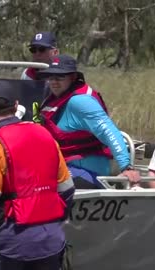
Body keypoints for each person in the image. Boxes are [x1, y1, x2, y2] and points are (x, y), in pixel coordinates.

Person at [0, 80, 75, 270]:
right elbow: (67, 190)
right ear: (16, 106)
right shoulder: (45, 135)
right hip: (51, 243)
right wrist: (52, 223)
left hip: (9, 248)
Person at [36, 54, 141, 189]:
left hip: (86, 171)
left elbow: (109, 131)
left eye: (60, 77)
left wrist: (126, 166)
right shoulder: (50, 100)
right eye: (51, 77)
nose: (54, 82)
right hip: (62, 165)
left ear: (73, 77)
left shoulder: (81, 102)